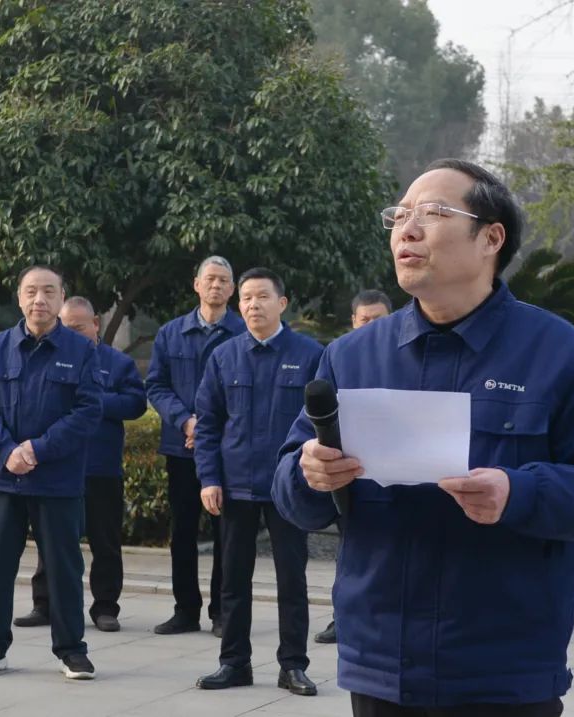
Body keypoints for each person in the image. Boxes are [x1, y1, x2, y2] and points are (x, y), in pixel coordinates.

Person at [273, 159, 574, 717]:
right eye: (399, 215)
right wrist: (309, 473)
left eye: (432, 213)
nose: (407, 229)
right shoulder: (352, 356)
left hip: (503, 670)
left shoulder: (558, 354)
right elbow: (292, 492)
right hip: (382, 666)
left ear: (491, 238)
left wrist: (518, 493)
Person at [0, 266, 103, 680]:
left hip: (57, 479)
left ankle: (71, 650)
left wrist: (38, 449)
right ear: (20, 298)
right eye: (31, 291)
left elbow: (88, 410)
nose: (39, 299)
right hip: (4, 477)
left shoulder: (82, 350)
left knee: (63, 568)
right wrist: (7, 450)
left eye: (48, 292)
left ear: (61, 298)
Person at [194, 268, 323, 696]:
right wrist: (209, 478)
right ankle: (234, 663)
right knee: (232, 580)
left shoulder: (310, 355)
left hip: (288, 489)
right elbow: (208, 424)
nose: (253, 305)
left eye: (262, 296)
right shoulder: (224, 356)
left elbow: (325, 423)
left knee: (292, 580)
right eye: (246, 298)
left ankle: (293, 666)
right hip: (236, 487)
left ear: (282, 303)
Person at [13, 297, 146, 633]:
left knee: (105, 541)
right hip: (57, 464)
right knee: (51, 539)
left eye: (78, 327)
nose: (71, 333)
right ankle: (44, 604)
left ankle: (105, 607)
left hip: (100, 467)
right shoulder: (52, 356)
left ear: (95, 324)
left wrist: (93, 401)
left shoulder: (117, 363)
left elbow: (135, 403)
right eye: (66, 326)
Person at [145, 256, 246, 637]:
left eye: (223, 280)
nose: (216, 285)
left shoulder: (243, 332)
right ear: (197, 285)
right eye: (210, 279)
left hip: (227, 450)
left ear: (232, 289)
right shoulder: (171, 333)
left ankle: (222, 612)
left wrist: (212, 428)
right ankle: (185, 610)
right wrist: (186, 421)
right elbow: (156, 385)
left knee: (226, 535)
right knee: (183, 532)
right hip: (181, 447)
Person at [313, 288, 393, 646]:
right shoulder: (341, 360)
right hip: (350, 478)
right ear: (353, 322)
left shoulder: (403, 361)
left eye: (378, 320)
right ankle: (341, 617)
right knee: (350, 553)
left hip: (395, 478)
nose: (371, 326)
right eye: (364, 320)